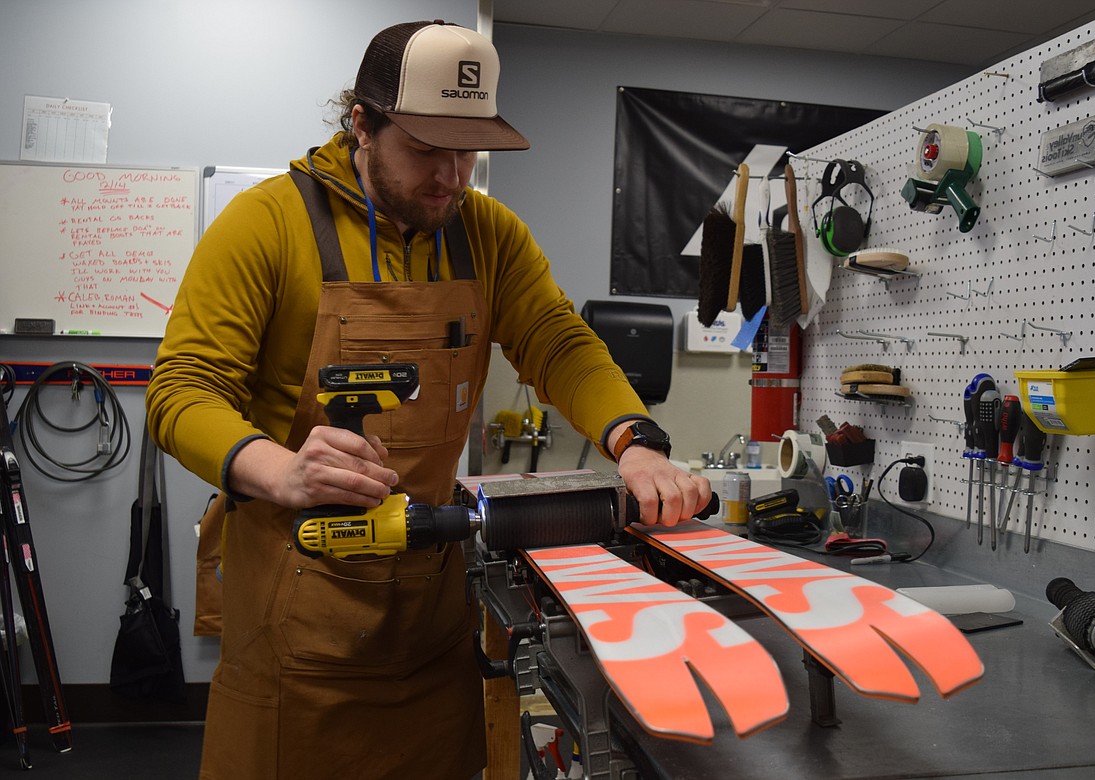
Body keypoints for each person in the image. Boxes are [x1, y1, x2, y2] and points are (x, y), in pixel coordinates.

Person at [145, 19, 711, 780]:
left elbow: (557, 339)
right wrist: (280, 471)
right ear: (361, 125)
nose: (451, 175)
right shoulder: (265, 226)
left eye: (466, 150)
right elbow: (181, 392)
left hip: (432, 615)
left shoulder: (488, 235)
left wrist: (634, 440)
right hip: (297, 618)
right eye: (424, 149)